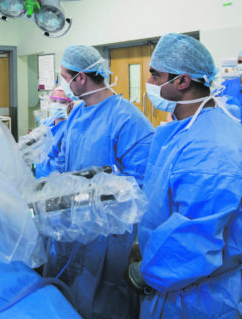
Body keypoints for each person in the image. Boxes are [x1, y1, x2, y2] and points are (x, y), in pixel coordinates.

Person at [124, 33, 242, 319]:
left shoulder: (211, 150)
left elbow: (194, 238)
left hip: (198, 296)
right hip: (184, 284)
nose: (150, 83)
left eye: (155, 75)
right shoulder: (195, 125)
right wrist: (149, 242)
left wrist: (146, 272)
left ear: (182, 81)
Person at [35, 45, 155, 319]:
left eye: (65, 77)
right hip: (69, 227)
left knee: (103, 302)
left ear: (81, 78)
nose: (63, 84)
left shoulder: (128, 120)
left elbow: (142, 185)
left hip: (107, 235)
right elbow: (62, 165)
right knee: (67, 300)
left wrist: (94, 199)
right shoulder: (77, 113)